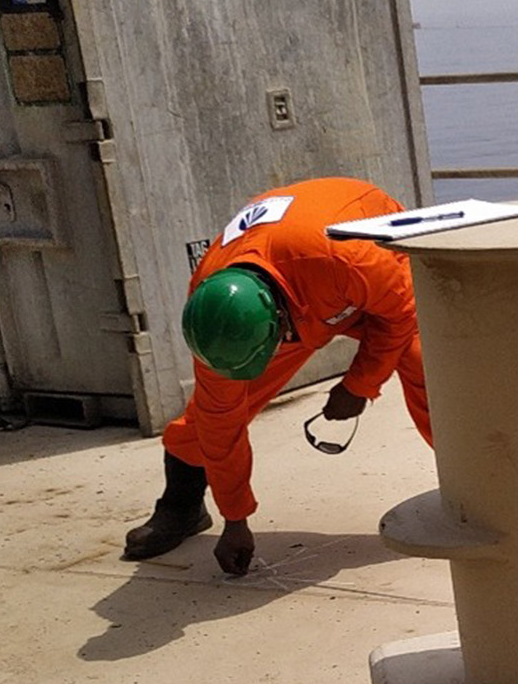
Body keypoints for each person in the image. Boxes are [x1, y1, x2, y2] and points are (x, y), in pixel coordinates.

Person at [122, 176, 434, 575]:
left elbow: (398, 315)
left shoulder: (349, 259)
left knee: (427, 366)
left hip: (354, 266)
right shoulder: (215, 314)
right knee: (211, 412)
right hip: (301, 287)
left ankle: (479, 490)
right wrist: (236, 519)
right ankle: (181, 507)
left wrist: (359, 384)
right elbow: (221, 424)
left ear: (279, 322)